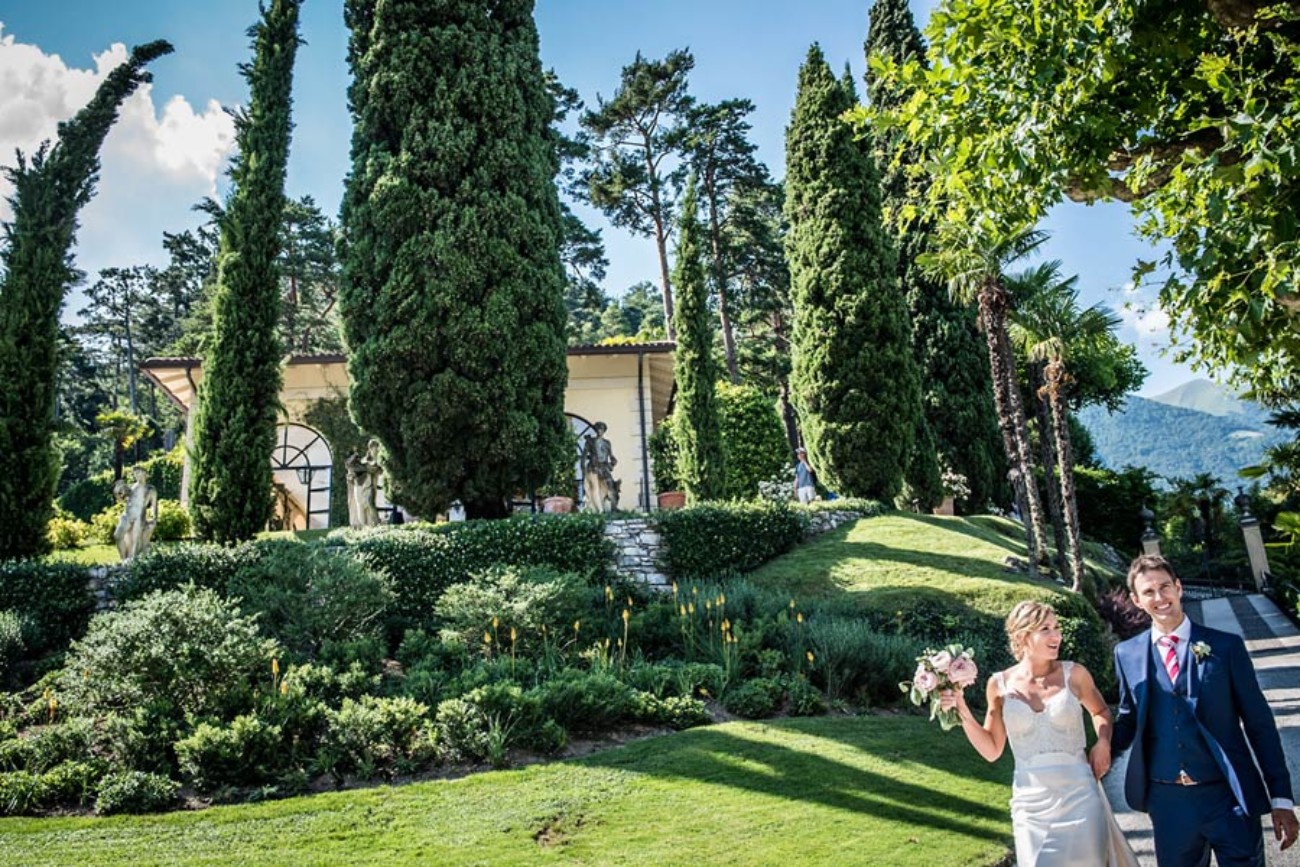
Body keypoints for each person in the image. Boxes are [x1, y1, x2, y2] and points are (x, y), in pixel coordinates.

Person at [1112, 554, 1297, 867]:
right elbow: (1128, 721)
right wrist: (1086, 756)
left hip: (1229, 794)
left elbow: (1260, 725)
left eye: (1165, 587)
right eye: (1149, 592)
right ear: (1136, 600)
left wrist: (1281, 797)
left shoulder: (1226, 647)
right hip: (1168, 803)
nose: (1159, 597)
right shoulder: (1126, 654)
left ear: (1179, 587)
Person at [941, 601, 1138, 866]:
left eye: (1056, 627)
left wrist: (1103, 742)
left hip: (1080, 797)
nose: (1057, 635)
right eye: (1046, 629)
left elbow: (1101, 711)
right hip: (1030, 807)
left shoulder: (1075, 674)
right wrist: (962, 709)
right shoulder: (998, 685)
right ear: (1023, 635)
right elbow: (992, 750)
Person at [114, 466, 159, 562]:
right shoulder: (132, 487)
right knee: (117, 536)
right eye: (135, 473)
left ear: (145, 473)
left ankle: (129, 561)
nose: (136, 475)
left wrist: (154, 518)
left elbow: (154, 506)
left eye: (138, 473)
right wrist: (117, 492)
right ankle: (123, 559)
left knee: (135, 543)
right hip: (127, 515)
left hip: (138, 516)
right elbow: (122, 499)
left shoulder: (150, 489)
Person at [582, 422, 619, 513]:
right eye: (598, 429)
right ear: (596, 430)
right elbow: (584, 455)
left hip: (604, 466)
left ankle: (613, 507)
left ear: (604, 431)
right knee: (595, 487)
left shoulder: (607, 443)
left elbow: (611, 456)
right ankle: (599, 509)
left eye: (601, 429)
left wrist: (613, 462)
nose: (600, 431)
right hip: (594, 466)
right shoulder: (590, 441)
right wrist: (583, 467)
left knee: (611, 486)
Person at [346, 438, 383, 528]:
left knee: (370, 505)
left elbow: (378, 469)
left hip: (369, 486)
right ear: (370, 449)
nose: (375, 451)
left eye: (377, 449)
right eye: (374, 448)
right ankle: (364, 526)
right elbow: (350, 468)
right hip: (360, 486)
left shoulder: (374, 461)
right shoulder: (362, 461)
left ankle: (374, 524)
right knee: (361, 507)